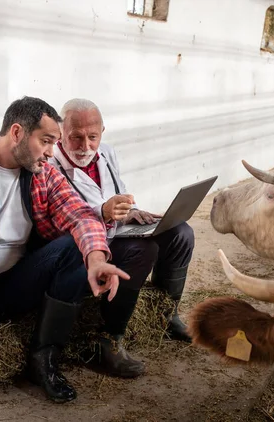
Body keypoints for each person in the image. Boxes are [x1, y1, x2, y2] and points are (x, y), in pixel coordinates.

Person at [0, 96, 138, 416]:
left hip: (17, 283)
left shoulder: (43, 174)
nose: (51, 152)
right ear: (16, 133)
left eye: (54, 143)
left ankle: (43, 358)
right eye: (45, 141)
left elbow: (81, 216)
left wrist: (97, 258)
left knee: (75, 246)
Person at [50, 98, 195, 343]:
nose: (86, 146)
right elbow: (65, 216)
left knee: (181, 232)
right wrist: (104, 212)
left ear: (102, 132)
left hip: (118, 228)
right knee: (143, 249)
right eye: (76, 137)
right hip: (84, 244)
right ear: (60, 133)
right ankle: (110, 337)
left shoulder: (106, 152)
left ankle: (167, 314)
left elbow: (119, 190)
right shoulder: (50, 166)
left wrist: (134, 211)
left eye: (93, 137)